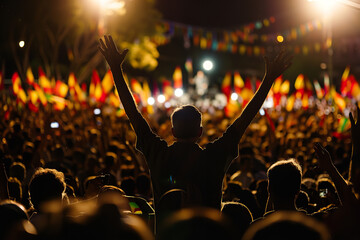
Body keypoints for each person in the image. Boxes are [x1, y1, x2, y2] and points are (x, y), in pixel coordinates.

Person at [98, 35, 292, 211]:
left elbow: (133, 114)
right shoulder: (214, 157)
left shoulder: (158, 155)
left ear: (172, 131)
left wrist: (116, 69)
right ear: (200, 131)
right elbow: (244, 120)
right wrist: (268, 79)